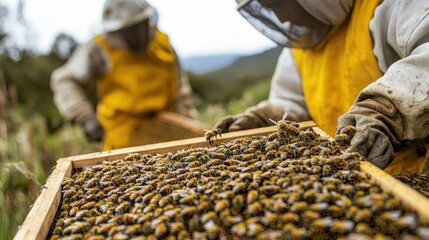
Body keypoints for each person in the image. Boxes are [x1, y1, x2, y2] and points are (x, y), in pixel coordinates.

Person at [215, 0, 429, 174]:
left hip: (410, 175)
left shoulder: (393, 6)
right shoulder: (299, 50)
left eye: (278, 4)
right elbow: (292, 103)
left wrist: (386, 112)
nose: (281, 18)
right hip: (337, 175)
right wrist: (266, 118)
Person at [51, 0, 195, 150]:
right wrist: (85, 117)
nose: (132, 35)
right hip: (123, 139)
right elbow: (65, 80)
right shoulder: (100, 47)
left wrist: (187, 121)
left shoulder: (163, 44)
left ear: (146, 21)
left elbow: (180, 89)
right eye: (126, 30)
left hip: (168, 130)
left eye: (135, 28)